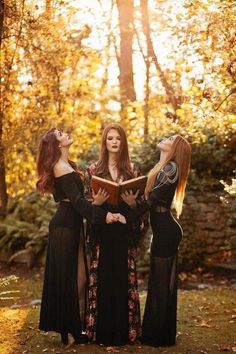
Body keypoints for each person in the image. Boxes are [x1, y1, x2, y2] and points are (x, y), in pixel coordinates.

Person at [36, 128, 125, 345]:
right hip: (64, 225)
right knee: (69, 278)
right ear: (57, 144)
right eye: (61, 134)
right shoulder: (59, 167)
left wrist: (96, 203)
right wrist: (105, 215)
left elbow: (81, 201)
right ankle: (70, 329)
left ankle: (70, 326)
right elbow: (77, 202)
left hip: (73, 223)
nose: (65, 134)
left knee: (80, 277)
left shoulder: (68, 165)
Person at [122, 134, 191, 347]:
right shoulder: (162, 167)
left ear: (175, 148)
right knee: (158, 282)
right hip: (163, 231)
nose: (165, 138)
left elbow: (151, 201)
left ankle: (160, 336)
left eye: (170, 138)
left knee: (161, 284)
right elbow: (148, 201)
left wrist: (126, 216)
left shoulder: (171, 169)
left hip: (167, 232)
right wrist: (133, 205)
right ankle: (156, 332)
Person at [84, 123, 143, 350]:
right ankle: (101, 333)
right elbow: (87, 208)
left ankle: (123, 333)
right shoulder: (93, 171)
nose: (114, 142)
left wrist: (131, 204)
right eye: (110, 138)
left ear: (123, 141)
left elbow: (138, 208)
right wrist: (99, 206)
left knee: (122, 282)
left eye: (118, 138)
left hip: (123, 233)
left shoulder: (133, 170)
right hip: (103, 234)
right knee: (104, 282)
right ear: (105, 142)